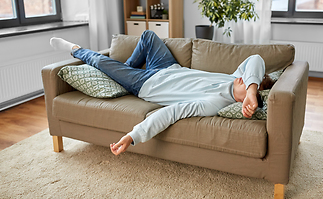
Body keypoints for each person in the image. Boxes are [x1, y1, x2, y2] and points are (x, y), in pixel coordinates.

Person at [50, 30, 272, 156]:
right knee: (148, 36)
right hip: (168, 67)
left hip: (146, 83)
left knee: (100, 60)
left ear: (246, 102)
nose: (244, 77)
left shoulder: (214, 103)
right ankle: (122, 73)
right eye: (250, 78)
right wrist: (252, 88)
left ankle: (75, 49)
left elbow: (169, 114)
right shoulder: (235, 78)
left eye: (251, 82)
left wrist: (133, 136)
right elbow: (255, 60)